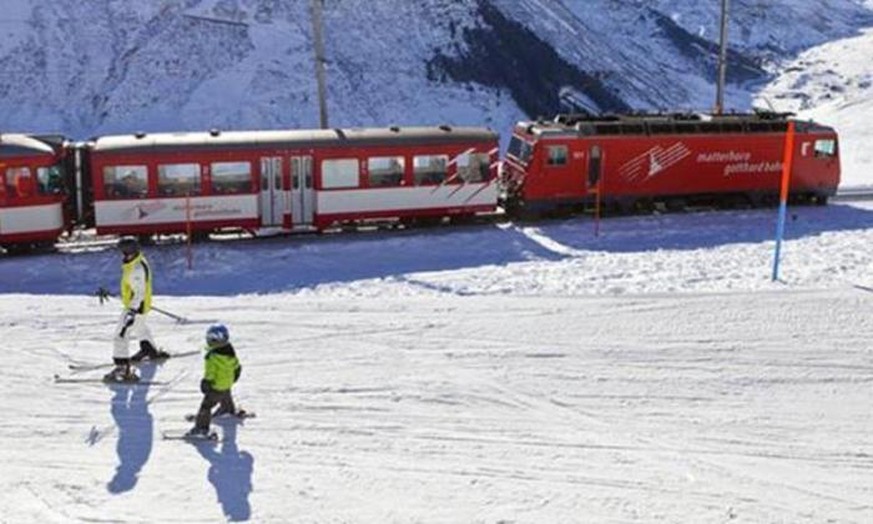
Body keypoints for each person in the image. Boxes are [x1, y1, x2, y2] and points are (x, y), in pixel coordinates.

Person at [104, 236, 168, 382]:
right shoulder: (134, 262)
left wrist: (132, 311)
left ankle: (122, 368)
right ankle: (149, 350)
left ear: (130, 250)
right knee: (140, 327)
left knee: (120, 334)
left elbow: (139, 292)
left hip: (136, 307)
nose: (122, 254)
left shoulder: (137, 269)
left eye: (123, 250)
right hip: (138, 305)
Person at [187, 324, 243, 437]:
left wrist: (206, 383)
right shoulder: (230, 352)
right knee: (226, 394)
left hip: (216, 387)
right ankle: (227, 409)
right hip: (227, 383)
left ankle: (201, 428)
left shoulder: (212, 357)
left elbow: (210, 373)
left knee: (206, 406)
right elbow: (237, 366)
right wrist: (235, 375)